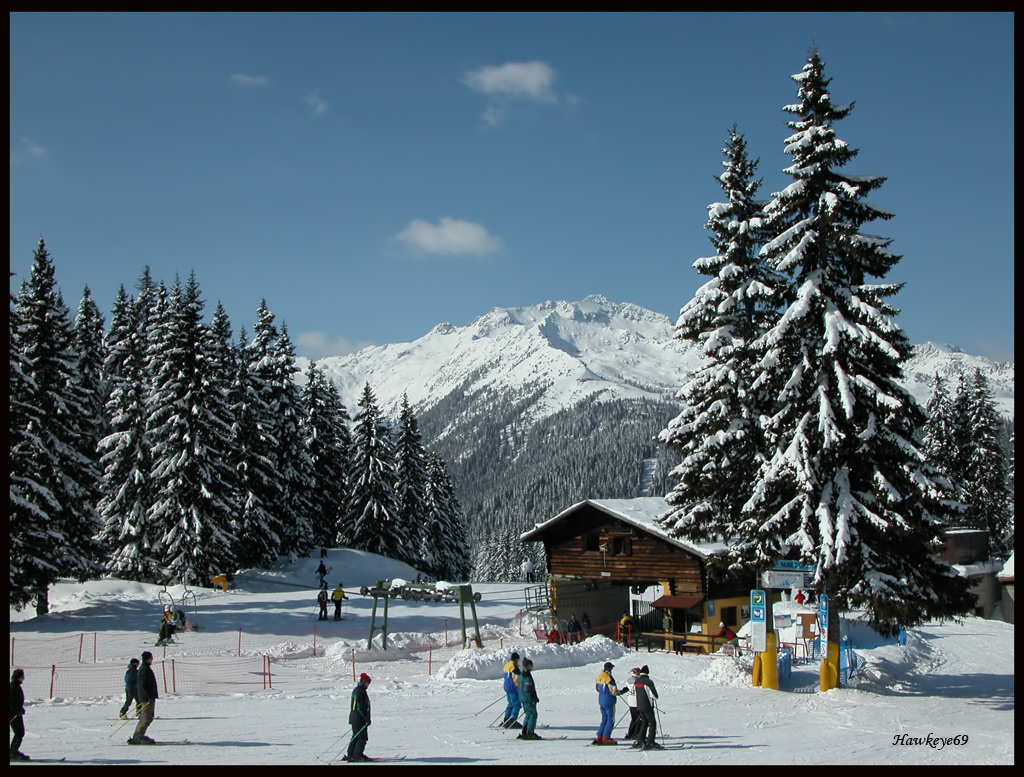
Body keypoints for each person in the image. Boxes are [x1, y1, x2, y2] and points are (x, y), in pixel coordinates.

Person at [593, 661, 627, 745]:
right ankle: (606, 738)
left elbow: (597, 689)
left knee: (604, 719)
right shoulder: (609, 678)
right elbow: (614, 692)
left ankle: (599, 737)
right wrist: (622, 691)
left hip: (601, 700)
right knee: (610, 720)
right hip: (609, 701)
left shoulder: (600, 676)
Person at [129, 651, 158, 745]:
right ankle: (139, 735)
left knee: (147, 716)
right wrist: (148, 696)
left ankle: (138, 734)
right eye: (151, 658)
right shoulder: (144, 669)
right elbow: (143, 684)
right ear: (147, 659)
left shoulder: (145, 668)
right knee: (147, 716)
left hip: (147, 697)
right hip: (147, 698)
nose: (152, 659)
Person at [631, 665, 663, 750]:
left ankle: (640, 740)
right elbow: (655, 696)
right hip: (647, 705)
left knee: (644, 722)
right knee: (652, 723)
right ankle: (650, 742)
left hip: (639, 705)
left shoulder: (637, 681)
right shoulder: (648, 682)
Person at [344, 673, 373, 762]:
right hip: (359, 718)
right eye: (368, 682)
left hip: (353, 718)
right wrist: (366, 719)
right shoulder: (361, 692)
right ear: (364, 682)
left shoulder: (357, 690)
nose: (368, 684)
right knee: (362, 738)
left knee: (355, 736)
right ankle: (357, 755)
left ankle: (351, 753)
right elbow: (360, 707)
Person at [515, 658, 542, 740]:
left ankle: (525, 731)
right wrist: (533, 697)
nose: (532, 667)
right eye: (531, 665)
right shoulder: (527, 675)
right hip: (528, 699)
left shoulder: (521, 674)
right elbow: (528, 689)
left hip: (522, 697)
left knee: (528, 714)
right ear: (528, 666)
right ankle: (530, 732)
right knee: (533, 715)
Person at [10, 668, 28, 761]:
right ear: (18, 677)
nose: (23, 678)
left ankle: (13, 751)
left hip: (16, 713)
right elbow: (10, 702)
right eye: (22, 676)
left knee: (19, 732)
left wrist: (20, 708)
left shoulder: (15, 685)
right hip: (13, 714)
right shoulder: (13, 686)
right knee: (19, 732)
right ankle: (12, 753)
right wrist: (17, 710)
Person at [501, 652, 522, 729]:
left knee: (510, 704)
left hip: (507, 687)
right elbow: (516, 678)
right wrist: (519, 689)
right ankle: (512, 721)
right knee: (517, 704)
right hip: (513, 688)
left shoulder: (507, 665)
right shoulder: (514, 667)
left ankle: (506, 719)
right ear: (517, 659)